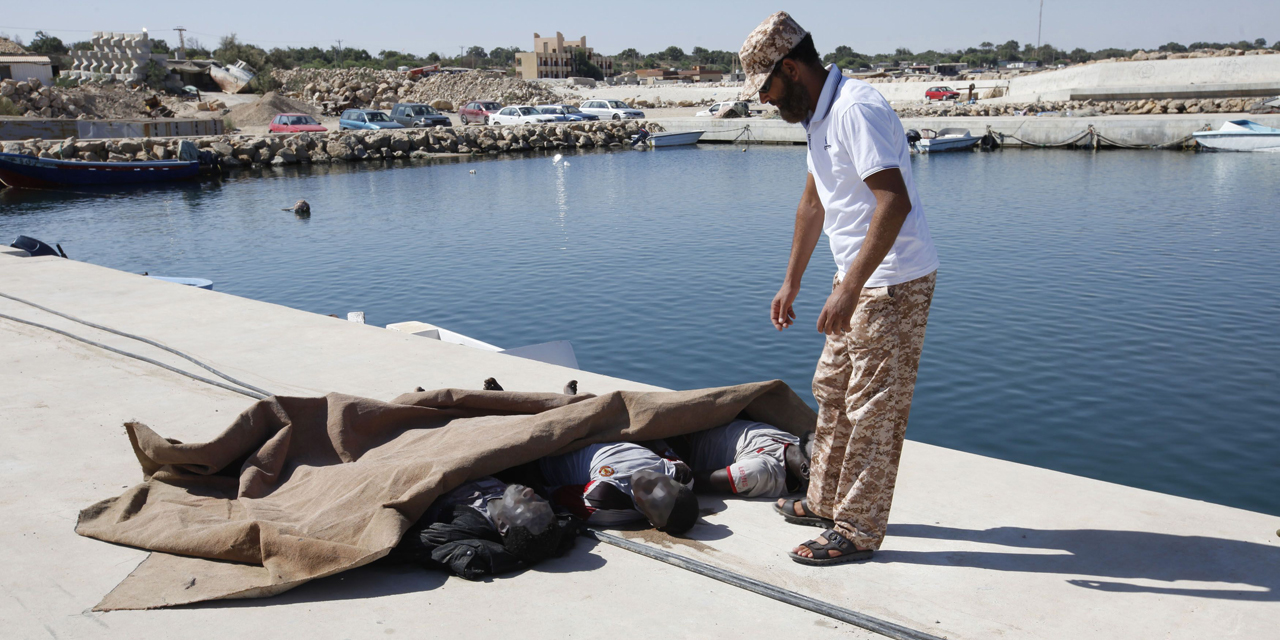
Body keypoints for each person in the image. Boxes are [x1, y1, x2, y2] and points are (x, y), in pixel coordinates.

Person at [739, 12, 939, 565]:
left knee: (874, 409)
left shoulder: (856, 110)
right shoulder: (819, 117)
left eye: (767, 87)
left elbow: (892, 202)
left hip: (892, 282)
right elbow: (813, 202)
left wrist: (850, 288)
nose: (764, 101)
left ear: (791, 68)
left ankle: (858, 528)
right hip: (854, 277)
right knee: (832, 390)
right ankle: (825, 499)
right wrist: (792, 283)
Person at [390, 476, 576, 580]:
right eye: (538, 500)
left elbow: (399, 545)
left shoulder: (466, 525)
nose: (530, 492)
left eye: (524, 504)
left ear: (503, 525)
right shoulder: (516, 488)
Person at [538, 442, 700, 535]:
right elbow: (659, 443)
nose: (648, 482)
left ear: (651, 521)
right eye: (663, 484)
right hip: (606, 433)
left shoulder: (602, 500)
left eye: (651, 496)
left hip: (556, 451)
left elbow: (550, 494)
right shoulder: (681, 474)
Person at [673, 420, 812, 498]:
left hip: (706, 426)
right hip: (683, 445)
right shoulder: (760, 471)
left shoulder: (795, 442)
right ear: (805, 470)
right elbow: (693, 481)